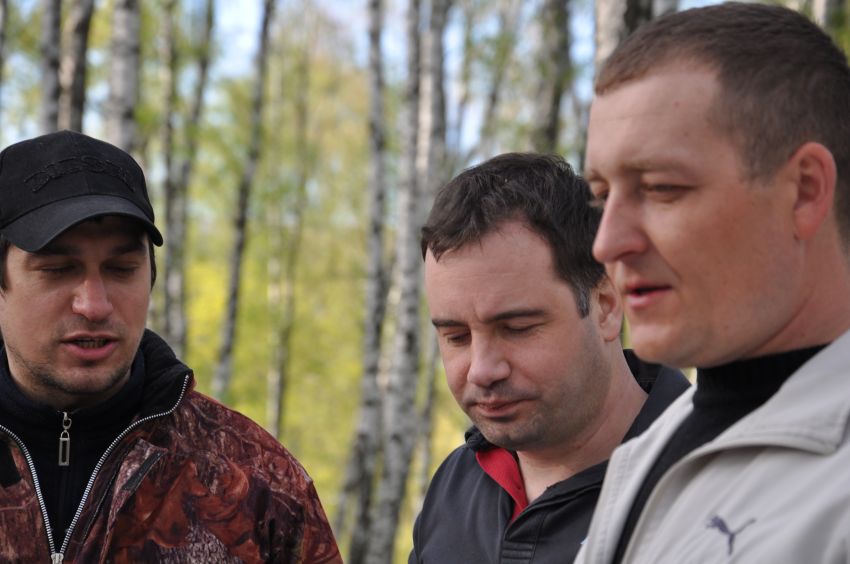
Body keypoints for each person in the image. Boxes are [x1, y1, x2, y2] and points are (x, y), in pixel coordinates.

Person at [579, 3, 850, 562]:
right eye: (601, 196)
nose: (607, 243)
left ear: (804, 191)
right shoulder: (650, 450)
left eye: (661, 188)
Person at [0, 130, 342, 563]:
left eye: (121, 269)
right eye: (58, 269)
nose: (94, 305)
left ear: (151, 278)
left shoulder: (259, 485)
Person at [410, 152, 689, 563]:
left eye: (517, 328)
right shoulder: (457, 483)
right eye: (456, 337)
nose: (482, 370)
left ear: (606, 306)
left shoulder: (704, 484)